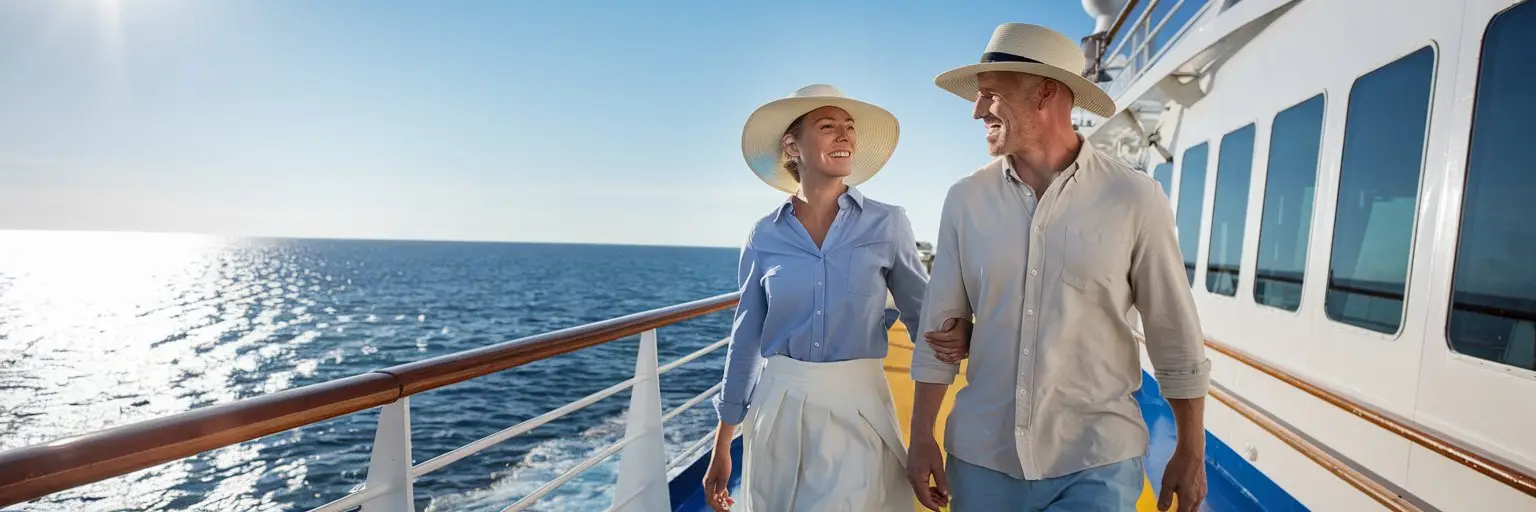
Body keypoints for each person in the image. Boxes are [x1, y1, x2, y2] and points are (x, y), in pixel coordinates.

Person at [907, 23, 1212, 511]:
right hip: (984, 459)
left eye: (990, 95)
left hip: (1097, 461)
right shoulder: (965, 200)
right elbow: (938, 331)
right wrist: (921, 435)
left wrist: (1191, 450)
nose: (977, 110)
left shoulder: (1135, 198)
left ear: (1046, 91)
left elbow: (1173, 331)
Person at [701, 84, 931, 511]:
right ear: (793, 145)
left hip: (857, 408)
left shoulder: (889, 224)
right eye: (827, 127)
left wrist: (925, 435)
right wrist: (723, 445)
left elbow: (927, 328)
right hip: (777, 408)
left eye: (849, 127)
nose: (844, 136)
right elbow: (746, 338)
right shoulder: (764, 234)